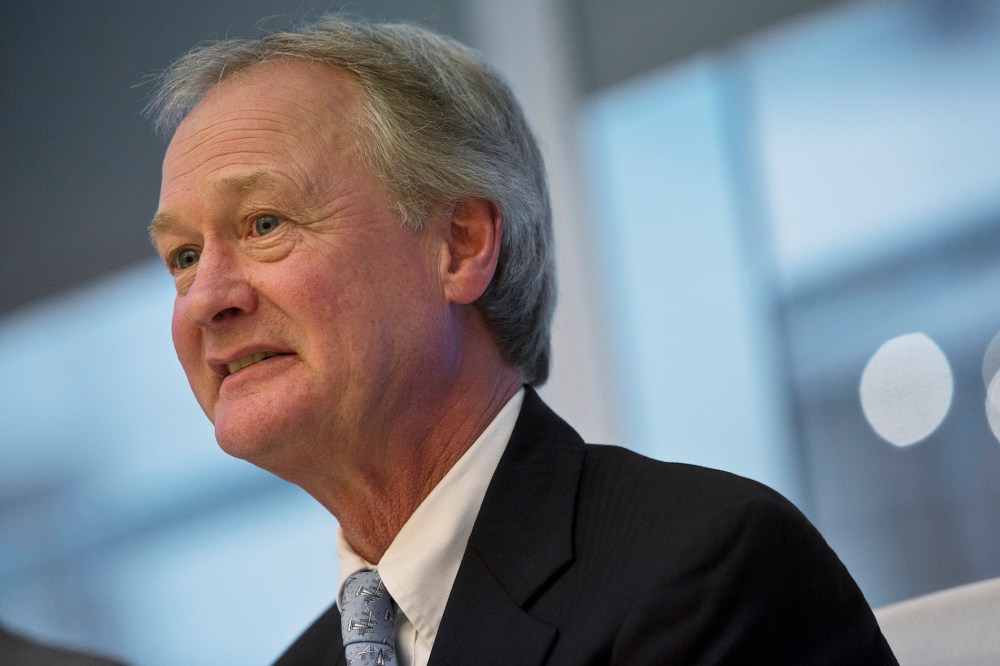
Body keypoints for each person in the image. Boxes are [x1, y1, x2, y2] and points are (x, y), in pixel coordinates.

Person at [148, 15, 897, 665]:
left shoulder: (702, 571)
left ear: (460, 244)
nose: (207, 298)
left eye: (265, 224)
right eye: (183, 257)